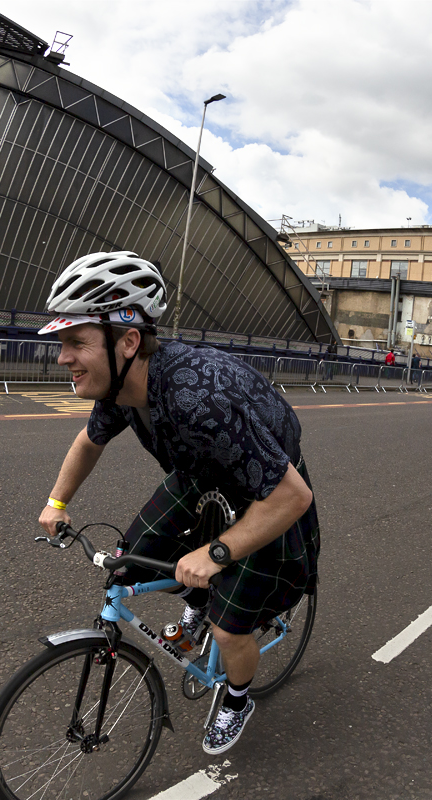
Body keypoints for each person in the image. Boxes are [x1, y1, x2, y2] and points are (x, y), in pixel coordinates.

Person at [36, 251, 320, 755]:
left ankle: (236, 698)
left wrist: (215, 554)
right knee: (134, 558)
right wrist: (58, 501)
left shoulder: (196, 398)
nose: (63, 357)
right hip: (202, 474)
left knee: (230, 628)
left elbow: (292, 495)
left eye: (76, 342)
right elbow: (88, 442)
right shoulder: (120, 387)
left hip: (267, 491)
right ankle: (196, 605)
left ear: (127, 341)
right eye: (62, 343)